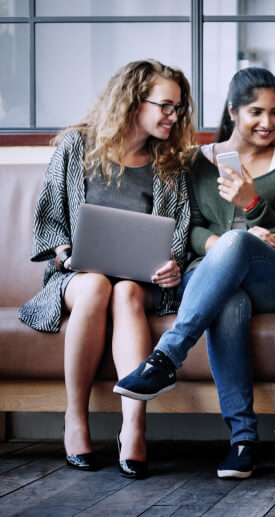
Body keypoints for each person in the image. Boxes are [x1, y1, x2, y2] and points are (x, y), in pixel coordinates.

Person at [114, 68, 275, 480]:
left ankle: (166, 358)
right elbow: (187, 223)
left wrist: (254, 209)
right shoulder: (193, 163)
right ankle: (243, 441)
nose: (267, 123)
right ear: (233, 111)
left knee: (240, 244)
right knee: (229, 300)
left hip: (273, 276)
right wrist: (216, 244)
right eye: (256, 112)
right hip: (212, 280)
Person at [18, 59, 194, 479]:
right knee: (97, 285)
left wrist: (171, 267)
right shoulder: (76, 147)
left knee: (126, 291)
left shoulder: (169, 163)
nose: (174, 116)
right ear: (134, 100)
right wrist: (64, 252)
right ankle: (75, 418)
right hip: (77, 277)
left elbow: (179, 233)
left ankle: (134, 427)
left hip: (141, 284)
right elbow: (49, 220)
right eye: (166, 106)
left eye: (179, 108)